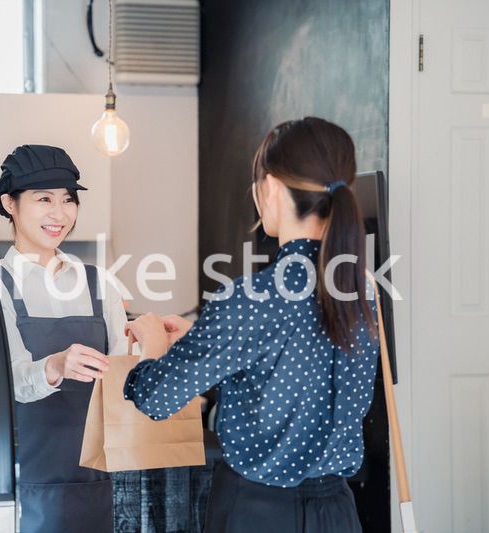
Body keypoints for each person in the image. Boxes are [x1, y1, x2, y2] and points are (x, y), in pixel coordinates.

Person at [124, 117, 380, 533]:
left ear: (272, 187)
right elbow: (294, 371)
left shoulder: (250, 299)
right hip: (338, 513)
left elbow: (155, 398)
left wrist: (153, 347)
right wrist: (208, 344)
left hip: (257, 512)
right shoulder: (362, 291)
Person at [0, 144, 128, 533]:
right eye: (44, 199)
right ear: (10, 204)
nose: (60, 213)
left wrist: (151, 344)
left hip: (96, 478)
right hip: (22, 479)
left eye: (68, 200)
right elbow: (5, 383)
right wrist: (54, 365)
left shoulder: (99, 282)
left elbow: (123, 375)